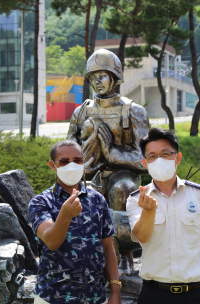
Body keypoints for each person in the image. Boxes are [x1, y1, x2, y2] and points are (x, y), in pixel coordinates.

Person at [67, 48, 150, 275]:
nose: (97, 83)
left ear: (114, 77)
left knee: (122, 189)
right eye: (92, 78)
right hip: (90, 173)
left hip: (122, 174)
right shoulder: (82, 112)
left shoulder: (133, 111)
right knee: (74, 197)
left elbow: (146, 160)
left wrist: (113, 154)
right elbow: (66, 150)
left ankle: (125, 256)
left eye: (102, 76)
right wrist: (82, 159)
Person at [126, 128, 200, 304]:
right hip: (154, 294)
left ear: (177, 158)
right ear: (145, 163)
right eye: (152, 156)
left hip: (193, 294)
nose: (159, 160)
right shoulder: (136, 200)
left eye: (165, 154)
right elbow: (142, 236)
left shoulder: (199, 195)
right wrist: (148, 211)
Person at [28, 140, 122, 304]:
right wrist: (64, 216)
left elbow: (108, 247)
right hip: (53, 298)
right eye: (64, 161)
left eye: (77, 160)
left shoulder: (97, 200)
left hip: (95, 297)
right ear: (53, 165)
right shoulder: (40, 203)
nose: (71, 165)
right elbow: (51, 241)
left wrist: (115, 291)